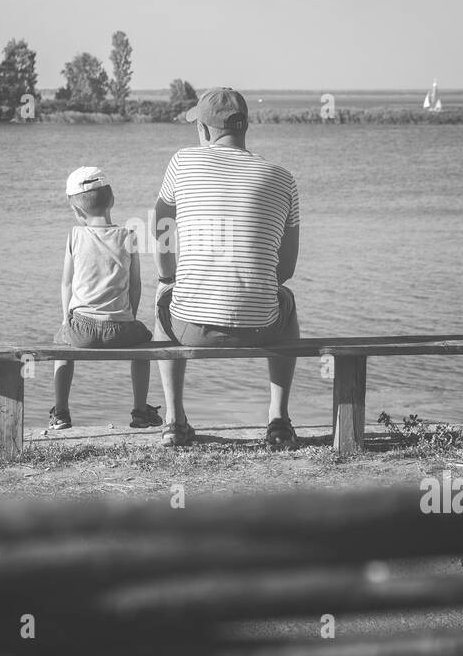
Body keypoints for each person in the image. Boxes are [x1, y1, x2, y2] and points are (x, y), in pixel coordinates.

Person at [150, 88, 301, 447]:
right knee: (287, 299)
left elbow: (160, 220)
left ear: (204, 130)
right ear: (244, 128)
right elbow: (287, 268)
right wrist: (256, 284)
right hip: (261, 327)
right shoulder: (282, 178)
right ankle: (278, 420)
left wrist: (166, 277)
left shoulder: (182, 162)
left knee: (162, 304)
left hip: (191, 328)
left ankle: (173, 420)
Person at [49, 166, 162, 431]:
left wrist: (67, 319)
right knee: (144, 345)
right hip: (121, 329)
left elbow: (66, 282)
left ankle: (61, 412)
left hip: (80, 329)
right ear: (112, 200)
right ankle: (140, 411)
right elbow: (135, 286)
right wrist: (129, 316)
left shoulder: (75, 235)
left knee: (61, 346)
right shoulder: (129, 236)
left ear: (77, 212)